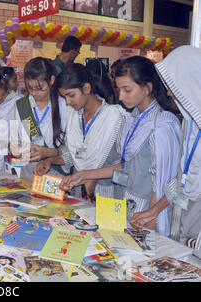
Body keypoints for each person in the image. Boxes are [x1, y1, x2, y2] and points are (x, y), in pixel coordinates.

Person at [60, 56, 182, 237]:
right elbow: (125, 167)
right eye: (119, 90)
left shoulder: (162, 125)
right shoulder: (132, 119)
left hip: (146, 213)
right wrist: (84, 175)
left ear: (147, 88)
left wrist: (153, 213)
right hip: (126, 204)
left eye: (127, 90)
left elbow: (164, 181)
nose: (121, 96)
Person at [34, 63, 129, 199]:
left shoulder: (115, 118)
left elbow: (126, 168)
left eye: (71, 95)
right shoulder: (75, 116)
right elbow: (73, 156)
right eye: (64, 97)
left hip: (108, 196)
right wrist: (50, 161)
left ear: (86, 88)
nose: (67, 102)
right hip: (78, 193)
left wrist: (92, 176)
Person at [155, 46, 201, 257]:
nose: (170, 92)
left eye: (175, 85)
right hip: (182, 221)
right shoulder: (188, 124)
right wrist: (154, 211)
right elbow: (182, 177)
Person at [9, 57, 68, 182]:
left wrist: (47, 153)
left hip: (58, 174)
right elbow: (14, 140)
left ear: (51, 80)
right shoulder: (21, 106)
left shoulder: (66, 105)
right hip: (28, 173)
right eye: (30, 88)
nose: (34, 93)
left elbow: (74, 151)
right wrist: (16, 149)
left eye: (40, 87)